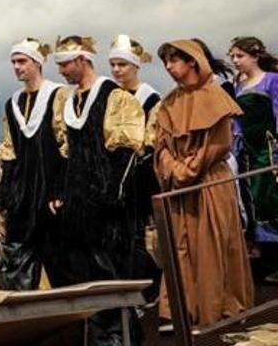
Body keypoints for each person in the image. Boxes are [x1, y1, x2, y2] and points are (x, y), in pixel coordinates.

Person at [49, 36, 145, 345]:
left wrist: (111, 196)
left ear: (82, 60)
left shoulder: (115, 98)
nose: (62, 70)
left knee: (112, 274)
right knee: (86, 275)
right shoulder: (67, 100)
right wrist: (60, 192)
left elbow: (128, 150)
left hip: (107, 208)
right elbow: (65, 152)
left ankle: (121, 336)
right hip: (78, 204)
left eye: (65, 63)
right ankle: (102, 334)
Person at [155, 39, 254, 329]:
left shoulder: (215, 97)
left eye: (174, 60)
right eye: (166, 62)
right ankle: (180, 309)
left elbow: (217, 145)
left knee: (213, 244)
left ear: (192, 62)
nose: (169, 67)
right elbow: (160, 147)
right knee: (181, 245)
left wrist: (185, 171)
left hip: (209, 183)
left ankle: (221, 306)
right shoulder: (169, 102)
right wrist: (175, 169)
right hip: (180, 185)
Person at [0, 38, 64, 291]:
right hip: (24, 192)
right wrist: (7, 194)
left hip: (50, 188)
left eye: (22, 61)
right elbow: (10, 151)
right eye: (13, 62)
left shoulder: (58, 95)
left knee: (59, 257)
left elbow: (66, 146)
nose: (16, 67)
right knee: (19, 259)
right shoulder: (12, 103)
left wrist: (61, 188)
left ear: (36, 62)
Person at [108, 34, 163, 303]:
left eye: (123, 65)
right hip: (115, 175)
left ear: (135, 66)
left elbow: (151, 141)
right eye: (114, 65)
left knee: (144, 234)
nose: (117, 70)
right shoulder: (111, 96)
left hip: (140, 174)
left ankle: (151, 288)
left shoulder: (150, 98)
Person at [229, 37, 278, 258]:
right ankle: (260, 243)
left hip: (268, 145)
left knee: (270, 192)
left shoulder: (271, 80)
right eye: (232, 56)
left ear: (255, 56)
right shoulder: (238, 85)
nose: (235, 60)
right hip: (246, 146)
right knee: (250, 194)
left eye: (240, 56)